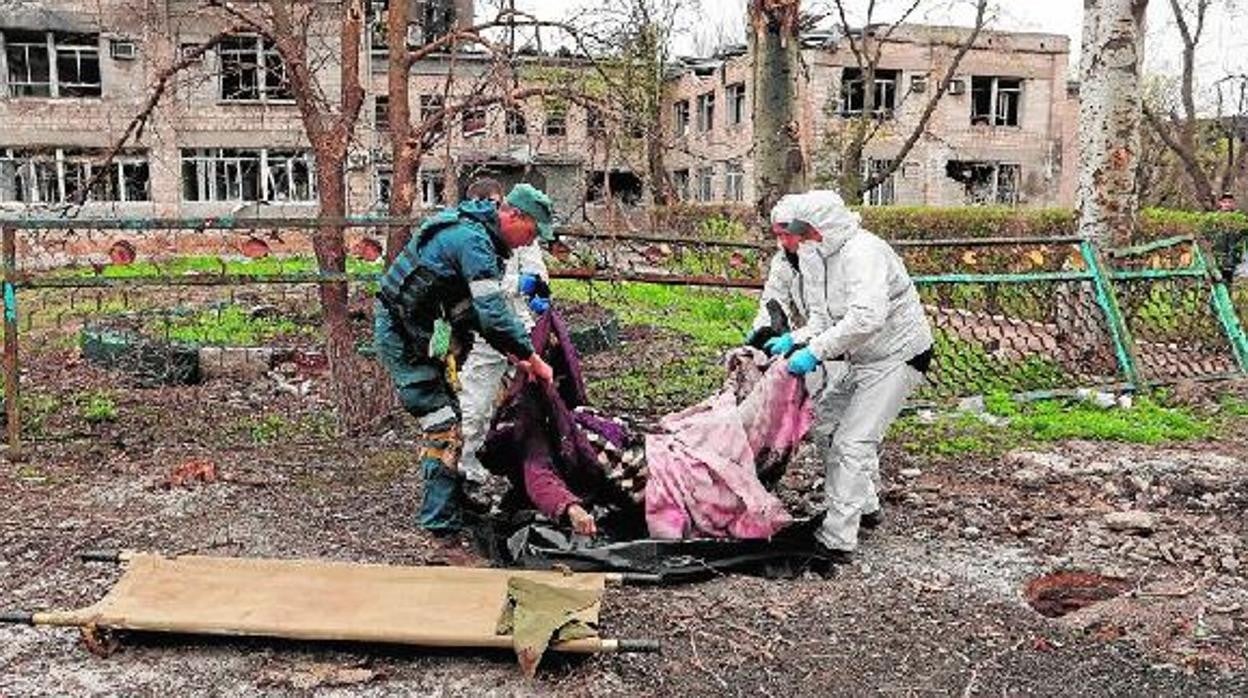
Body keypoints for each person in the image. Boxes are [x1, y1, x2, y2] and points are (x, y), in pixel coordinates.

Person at [374, 183, 557, 534]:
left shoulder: (482, 238)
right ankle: (440, 527)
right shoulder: (471, 241)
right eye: (531, 232)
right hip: (403, 338)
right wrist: (531, 357)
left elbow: (474, 312)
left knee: (453, 418)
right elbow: (491, 310)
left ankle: (454, 502)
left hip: (423, 335)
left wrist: (514, 353)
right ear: (513, 215)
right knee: (445, 427)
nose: (529, 242)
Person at [763, 190, 933, 560]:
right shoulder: (816, 254)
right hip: (861, 357)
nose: (799, 241)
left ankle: (837, 538)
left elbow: (866, 318)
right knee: (824, 427)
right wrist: (794, 338)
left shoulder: (863, 252)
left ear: (825, 225)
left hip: (896, 356)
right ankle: (865, 507)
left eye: (804, 232)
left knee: (853, 442)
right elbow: (824, 319)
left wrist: (815, 351)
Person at [457, 178, 553, 485]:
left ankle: (523, 465)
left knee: (529, 400)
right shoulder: (474, 239)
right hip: (488, 331)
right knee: (477, 403)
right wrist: (517, 286)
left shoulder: (525, 235)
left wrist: (538, 290)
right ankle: (463, 467)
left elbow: (535, 268)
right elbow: (482, 289)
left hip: (521, 326)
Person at [745, 197, 810, 349]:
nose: (784, 242)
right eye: (779, 235)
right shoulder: (784, 261)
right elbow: (774, 300)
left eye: (788, 234)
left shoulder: (831, 259)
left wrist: (801, 338)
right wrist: (762, 329)